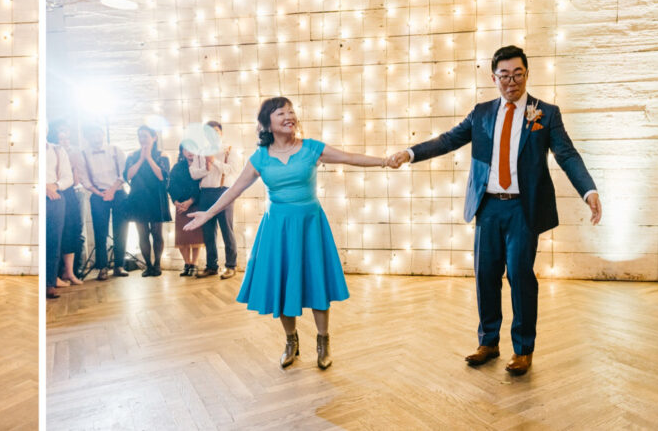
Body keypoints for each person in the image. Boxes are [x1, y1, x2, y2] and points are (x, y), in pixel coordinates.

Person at [388, 45, 602, 375]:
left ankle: (523, 349)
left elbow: (567, 155)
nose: (511, 81)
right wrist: (410, 152)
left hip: (522, 209)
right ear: (494, 78)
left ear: (527, 74)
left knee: (519, 275)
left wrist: (588, 190)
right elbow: (448, 140)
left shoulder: (545, 113)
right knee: (485, 276)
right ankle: (488, 342)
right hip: (487, 207)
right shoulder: (482, 112)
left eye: (518, 74)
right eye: (504, 75)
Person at [185, 97, 390, 370]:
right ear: (268, 123)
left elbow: (350, 157)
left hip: (310, 225)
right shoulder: (260, 157)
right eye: (281, 112)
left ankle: (323, 341)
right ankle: (291, 341)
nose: (288, 116)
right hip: (277, 228)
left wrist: (385, 161)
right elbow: (234, 190)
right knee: (283, 285)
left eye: (291, 111)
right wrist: (208, 213)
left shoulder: (311, 149)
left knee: (316, 282)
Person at [77, 125, 129, 280]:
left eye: (98, 135)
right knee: (100, 232)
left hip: (118, 192)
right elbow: (84, 179)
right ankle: (102, 267)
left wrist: (112, 190)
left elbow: (123, 174)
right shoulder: (83, 155)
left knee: (121, 229)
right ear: (88, 138)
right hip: (98, 195)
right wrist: (99, 192)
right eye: (92, 136)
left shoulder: (115, 150)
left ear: (102, 135)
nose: (96, 138)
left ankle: (119, 265)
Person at [189, 121, 239, 279]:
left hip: (224, 192)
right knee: (208, 232)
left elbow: (232, 170)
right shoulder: (199, 152)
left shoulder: (229, 150)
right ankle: (211, 266)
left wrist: (214, 161)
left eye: (216, 131)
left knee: (227, 229)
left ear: (221, 133)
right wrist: (207, 167)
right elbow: (194, 174)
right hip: (205, 193)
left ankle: (231, 265)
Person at [124, 126, 171, 277]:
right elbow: (128, 176)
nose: (142, 139)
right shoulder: (132, 155)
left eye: (145, 136)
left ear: (154, 137)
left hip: (156, 197)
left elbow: (162, 176)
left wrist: (149, 158)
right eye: (140, 136)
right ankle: (148, 266)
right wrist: (141, 159)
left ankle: (157, 265)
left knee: (157, 233)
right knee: (142, 234)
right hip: (138, 197)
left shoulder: (161, 155)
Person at [46, 121, 83, 299]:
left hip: (62, 195)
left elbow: (72, 179)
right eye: (61, 137)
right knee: (51, 237)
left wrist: (54, 185)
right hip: (48, 194)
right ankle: (53, 277)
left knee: (64, 235)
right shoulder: (46, 150)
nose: (65, 141)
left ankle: (60, 277)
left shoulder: (62, 152)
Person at [55, 122, 86, 283]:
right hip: (58, 193)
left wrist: (73, 165)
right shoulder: (52, 153)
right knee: (59, 232)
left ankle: (71, 272)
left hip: (72, 193)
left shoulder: (74, 153)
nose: (65, 142)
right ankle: (57, 273)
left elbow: (76, 180)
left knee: (74, 231)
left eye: (67, 139)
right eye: (61, 139)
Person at [167, 140, 203, 277]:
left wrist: (190, 201)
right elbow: (170, 185)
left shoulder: (201, 165)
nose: (189, 152)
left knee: (195, 238)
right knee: (183, 238)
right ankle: (187, 263)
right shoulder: (177, 167)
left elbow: (200, 186)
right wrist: (176, 202)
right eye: (186, 149)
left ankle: (194, 264)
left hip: (195, 205)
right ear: (182, 151)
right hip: (180, 207)